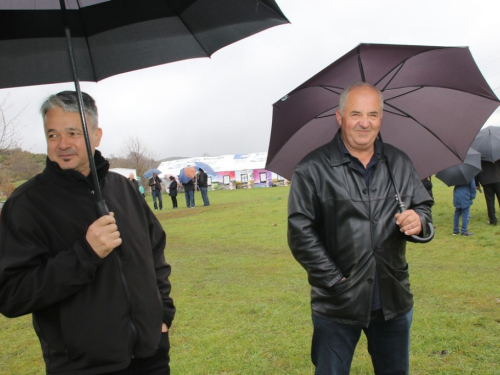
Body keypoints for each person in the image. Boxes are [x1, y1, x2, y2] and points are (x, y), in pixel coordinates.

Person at [0, 91, 175, 375]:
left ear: (96, 135)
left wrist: (163, 314)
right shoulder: (27, 205)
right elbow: (12, 294)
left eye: (73, 132)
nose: (63, 144)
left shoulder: (124, 189)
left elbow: (155, 257)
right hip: (82, 366)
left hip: (150, 356)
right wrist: (86, 253)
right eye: (53, 135)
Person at [288, 83, 433, 375]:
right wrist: (335, 282)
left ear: (381, 118)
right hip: (337, 305)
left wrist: (419, 221)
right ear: (340, 117)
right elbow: (300, 233)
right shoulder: (312, 168)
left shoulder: (400, 162)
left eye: (373, 114)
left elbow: (424, 208)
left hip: (393, 300)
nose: (364, 122)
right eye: (355, 113)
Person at [475, 160, 500, 225]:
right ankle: (492, 220)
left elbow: (476, 170)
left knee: (490, 201)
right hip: (497, 179)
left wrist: (476, 183)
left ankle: (493, 220)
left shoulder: (479, 157)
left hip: (486, 181)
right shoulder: (497, 154)